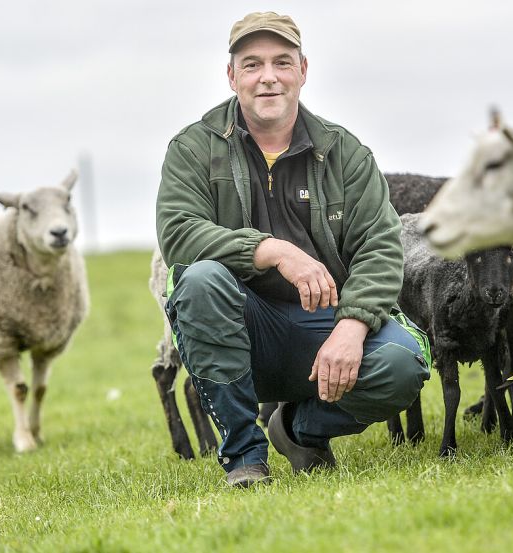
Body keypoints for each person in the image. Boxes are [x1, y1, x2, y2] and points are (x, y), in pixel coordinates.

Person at [155, 11, 430, 488]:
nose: (268, 78)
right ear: (231, 75)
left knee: (403, 364)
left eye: (282, 63)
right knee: (199, 281)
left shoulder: (345, 152)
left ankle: (299, 427)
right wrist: (273, 250)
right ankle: (244, 456)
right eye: (252, 64)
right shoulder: (194, 148)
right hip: (238, 325)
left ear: (303, 71)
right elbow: (179, 233)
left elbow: (381, 247)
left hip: (324, 322)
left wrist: (352, 324)